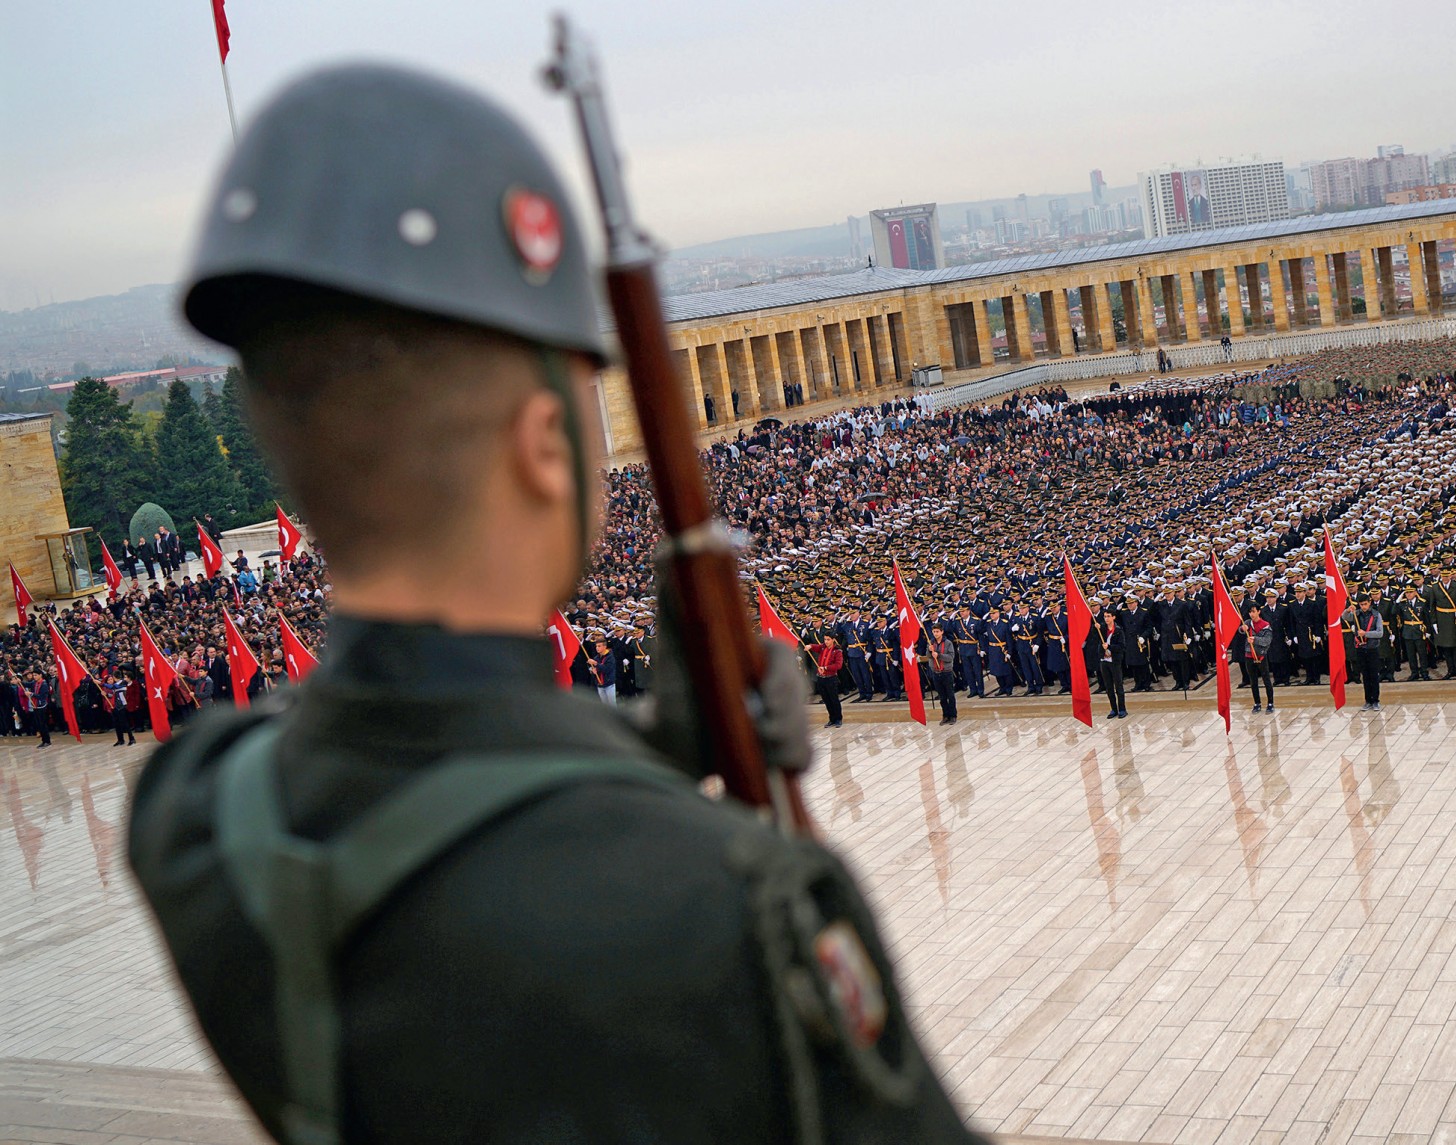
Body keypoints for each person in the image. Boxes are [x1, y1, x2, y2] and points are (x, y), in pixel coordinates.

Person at [125, 63, 980, 1145]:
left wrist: (647, 743)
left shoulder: (198, 816)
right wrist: (650, 766)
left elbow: (389, 757)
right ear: (543, 446)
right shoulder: (730, 910)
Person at [807, 634, 845, 727]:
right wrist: (810, 646)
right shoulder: (823, 647)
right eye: (825, 639)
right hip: (821, 678)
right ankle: (831, 718)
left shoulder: (837, 651)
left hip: (831, 678)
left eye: (828, 639)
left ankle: (838, 718)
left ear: (833, 640)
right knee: (826, 700)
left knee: (834, 699)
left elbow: (838, 665)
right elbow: (816, 647)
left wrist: (826, 668)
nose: (826, 641)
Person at [1245, 606, 1276, 713]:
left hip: (1261, 655)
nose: (1251, 614)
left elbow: (1267, 640)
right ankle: (1257, 703)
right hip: (1249, 655)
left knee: (1266, 679)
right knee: (1253, 681)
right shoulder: (1248, 623)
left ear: (1258, 612)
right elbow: (1241, 630)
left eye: (1253, 611)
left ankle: (1270, 703)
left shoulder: (1265, 625)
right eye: (1250, 612)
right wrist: (1242, 629)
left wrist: (1255, 639)